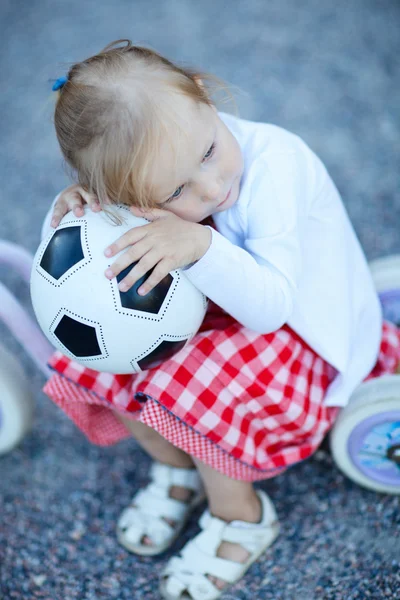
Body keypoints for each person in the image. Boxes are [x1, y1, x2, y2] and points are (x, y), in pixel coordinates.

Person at [43, 39, 400, 600]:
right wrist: (81, 215)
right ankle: (180, 467)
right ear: (129, 197)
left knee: (187, 389)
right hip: (220, 315)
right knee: (99, 361)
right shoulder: (144, 177)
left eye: (208, 152)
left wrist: (200, 244)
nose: (211, 188)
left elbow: (272, 306)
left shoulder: (274, 165)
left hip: (301, 330)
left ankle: (242, 515)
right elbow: (81, 279)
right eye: (176, 191)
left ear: (206, 97)